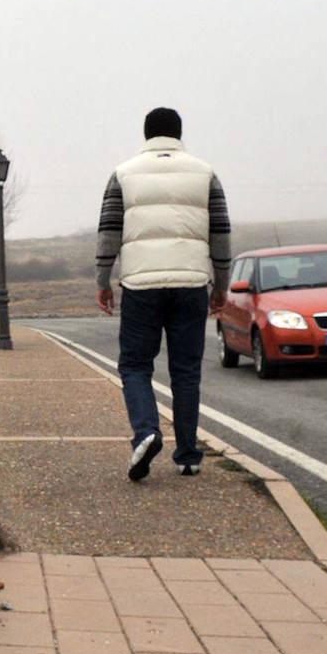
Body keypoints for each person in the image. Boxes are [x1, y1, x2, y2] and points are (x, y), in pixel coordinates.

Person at [95, 107, 232, 481]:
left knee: (135, 365)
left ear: (146, 135)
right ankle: (187, 454)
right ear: (178, 133)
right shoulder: (205, 173)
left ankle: (147, 431)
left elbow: (109, 230)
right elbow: (220, 233)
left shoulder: (123, 174)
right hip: (191, 283)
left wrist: (102, 280)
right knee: (186, 372)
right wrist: (221, 285)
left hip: (141, 284)